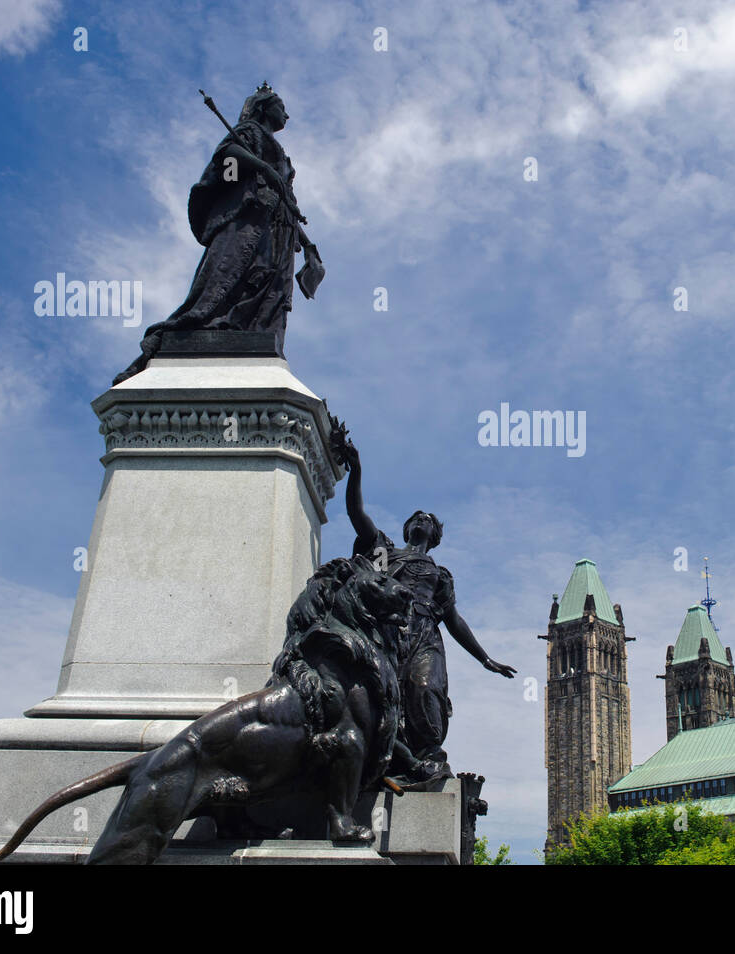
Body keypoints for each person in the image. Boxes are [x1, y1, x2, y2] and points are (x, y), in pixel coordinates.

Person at [337, 433, 516, 784]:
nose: (422, 519)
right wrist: (355, 470)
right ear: (407, 528)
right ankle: (391, 761)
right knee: (387, 696)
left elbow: (453, 620)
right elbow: (357, 513)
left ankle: (427, 758)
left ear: (434, 535)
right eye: (417, 516)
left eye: (428, 519)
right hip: (388, 630)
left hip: (425, 635)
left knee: (424, 689)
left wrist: (484, 658)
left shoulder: (440, 574)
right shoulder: (386, 553)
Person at [113, 84, 323, 384]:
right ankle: (208, 324)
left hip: (277, 227)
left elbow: (286, 203)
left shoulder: (278, 153)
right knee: (228, 275)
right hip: (248, 218)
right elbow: (227, 156)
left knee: (265, 283)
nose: (286, 115)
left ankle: (240, 328)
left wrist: (306, 243)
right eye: (281, 107)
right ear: (264, 108)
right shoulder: (250, 132)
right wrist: (265, 168)